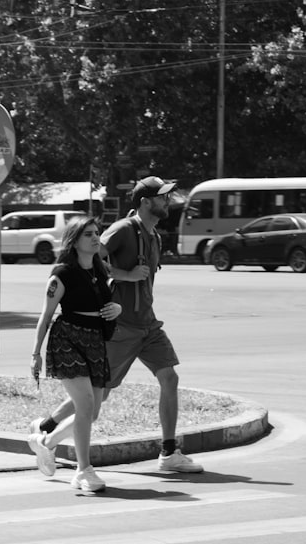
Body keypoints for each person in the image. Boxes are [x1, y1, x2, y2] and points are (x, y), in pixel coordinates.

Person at [29, 176, 204, 474]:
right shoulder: (124, 230)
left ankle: (169, 451)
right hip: (119, 328)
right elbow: (93, 258)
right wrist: (127, 274)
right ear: (146, 202)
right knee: (97, 399)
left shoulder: (155, 235)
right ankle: (46, 434)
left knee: (169, 378)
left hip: (148, 325)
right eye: (162, 197)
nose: (167, 201)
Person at [27, 217, 121, 492]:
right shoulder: (62, 274)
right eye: (89, 234)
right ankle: (83, 471)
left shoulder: (100, 269)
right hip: (67, 338)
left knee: (91, 412)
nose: (96, 238)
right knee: (86, 404)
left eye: (97, 233)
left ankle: (45, 442)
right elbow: (45, 317)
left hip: (94, 339)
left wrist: (118, 310)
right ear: (74, 240)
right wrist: (35, 354)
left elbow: (109, 305)